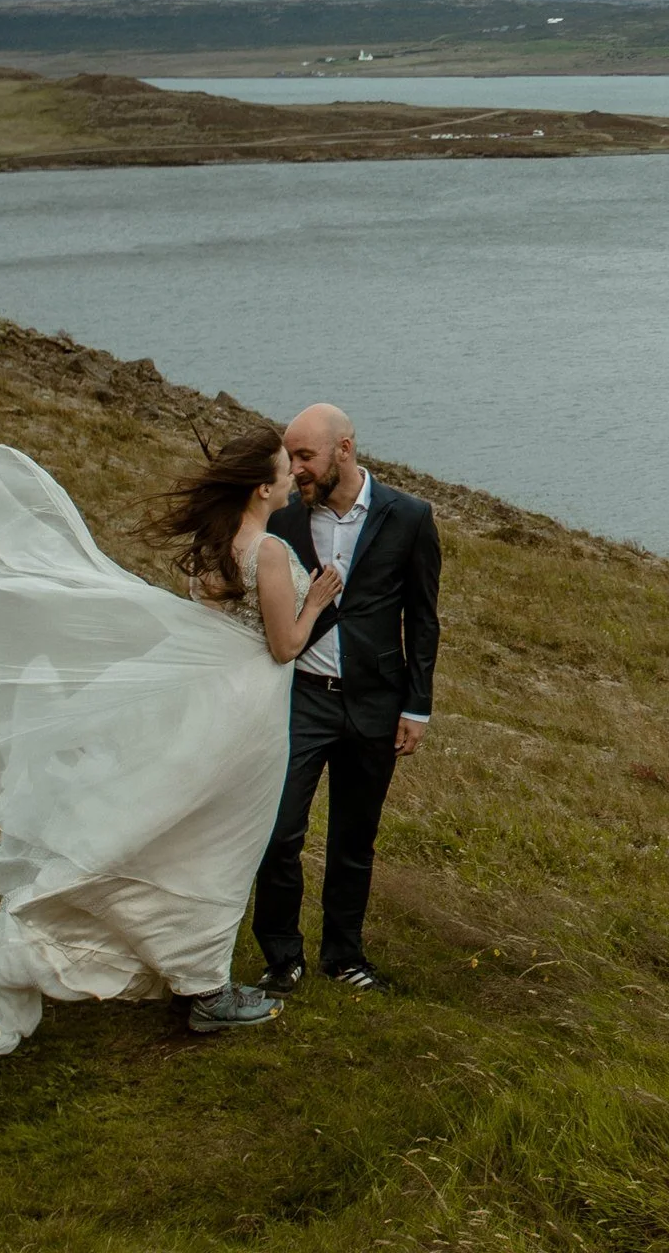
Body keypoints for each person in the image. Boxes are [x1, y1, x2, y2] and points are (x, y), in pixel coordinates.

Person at [0, 425, 340, 1055]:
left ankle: (193, 973)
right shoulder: (264, 551)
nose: (295, 476)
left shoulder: (216, 542)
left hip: (214, 701)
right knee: (222, 844)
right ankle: (206, 990)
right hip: (249, 710)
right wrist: (317, 600)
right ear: (262, 488)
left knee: (190, 835)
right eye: (284, 470)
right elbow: (284, 646)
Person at [252, 403, 442, 994]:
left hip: (375, 704)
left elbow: (423, 619)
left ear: (344, 449)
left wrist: (417, 707)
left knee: (354, 838)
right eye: (291, 457)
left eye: (305, 456)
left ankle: (344, 957)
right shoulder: (283, 517)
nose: (296, 468)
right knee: (280, 832)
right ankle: (282, 957)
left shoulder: (409, 517)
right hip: (299, 701)